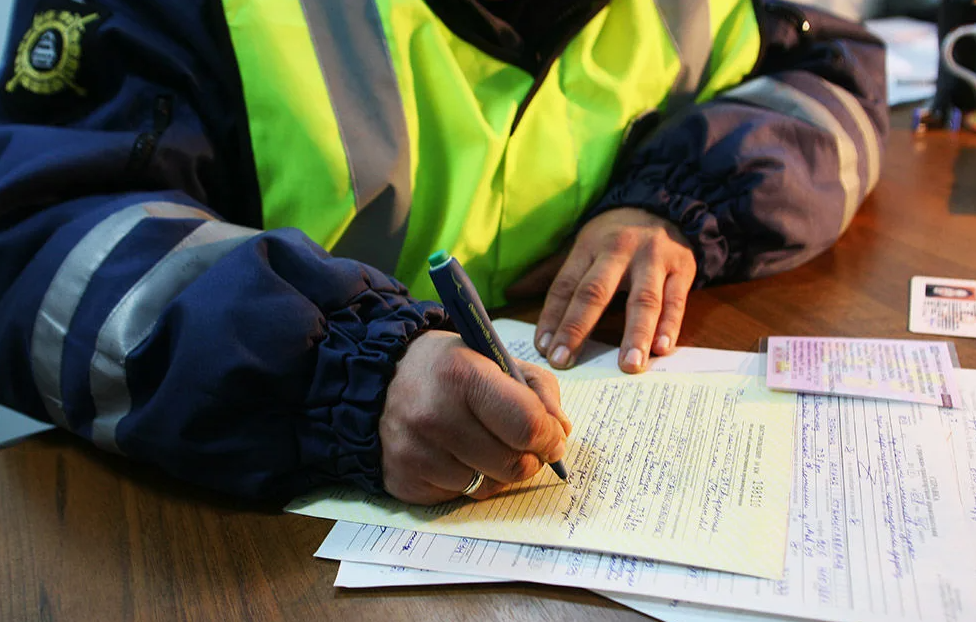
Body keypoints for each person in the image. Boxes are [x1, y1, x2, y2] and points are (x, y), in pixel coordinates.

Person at [0, 0, 887, 505]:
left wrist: (675, 201)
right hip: (248, 536)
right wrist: (353, 376)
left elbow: (835, 82)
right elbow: (41, 241)